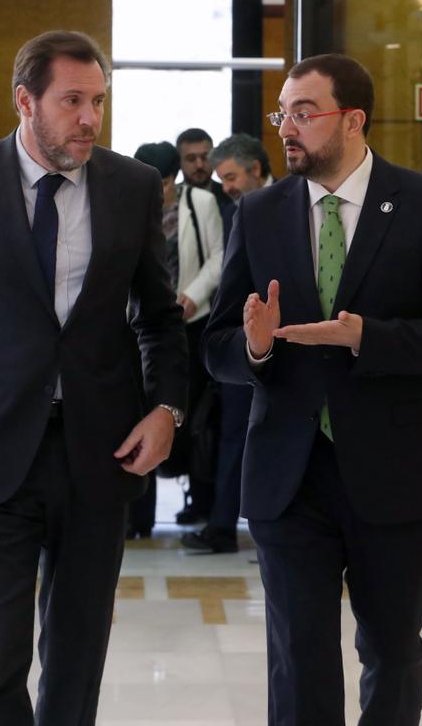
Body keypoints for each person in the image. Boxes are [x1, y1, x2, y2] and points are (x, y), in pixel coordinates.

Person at [0, 30, 188, 726]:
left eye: (98, 101)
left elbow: (161, 320)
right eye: (72, 100)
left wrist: (168, 408)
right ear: (26, 102)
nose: (89, 118)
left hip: (100, 455)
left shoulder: (132, 187)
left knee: (79, 654)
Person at [202, 54, 422, 725]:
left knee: (390, 653)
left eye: (304, 113)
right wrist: (257, 346)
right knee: (298, 658)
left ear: (353, 120)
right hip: (289, 478)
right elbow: (218, 348)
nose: (286, 129)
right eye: (281, 114)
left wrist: (368, 338)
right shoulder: (261, 213)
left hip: (397, 477)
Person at [180, 133, 272, 554]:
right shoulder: (236, 210)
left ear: (255, 168)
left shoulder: (290, 205)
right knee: (235, 432)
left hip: (284, 343)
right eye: (223, 179)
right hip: (241, 346)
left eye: (231, 177)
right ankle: (222, 525)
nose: (227, 186)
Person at [132, 140, 223, 535]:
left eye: (165, 182)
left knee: (194, 419)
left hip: (192, 323)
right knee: (139, 414)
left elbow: (220, 256)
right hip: (141, 329)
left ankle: (201, 504)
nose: (159, 192)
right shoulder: (126, 205)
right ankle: (137, 517)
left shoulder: (200, 204)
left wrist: (194, 295)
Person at [176, 126, 230, 211]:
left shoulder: (229, 195)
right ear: (179, 162)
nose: (199, 165)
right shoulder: (169, 199)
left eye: (205, 157)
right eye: (191, 159)